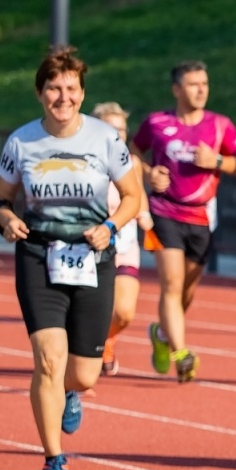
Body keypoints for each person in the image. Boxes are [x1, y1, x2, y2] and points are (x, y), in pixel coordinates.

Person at [0, 47, 143, 470]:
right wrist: (7, 219)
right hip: (39, 256)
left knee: (84, 373)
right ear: (39, 93)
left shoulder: (105, 140)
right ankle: (54, 457)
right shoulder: (22, 142)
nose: (63, 96)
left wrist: (110, 227)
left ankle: (72, 392)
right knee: (48, 360)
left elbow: (133, 197)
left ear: (82, 93)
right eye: (54, 87)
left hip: (93, 259)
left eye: (71, 88)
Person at [132, 61, 236, 383]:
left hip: (202, 216)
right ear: (177, 89)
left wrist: (218, 161)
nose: (200, 90)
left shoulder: (220, 125)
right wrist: (149, 173)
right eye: (193, 84)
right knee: (171, 284)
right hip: (165, 211)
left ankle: (162, 334)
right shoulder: (156, 122)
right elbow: (133, 151)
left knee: (186, 290)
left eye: (205, 84)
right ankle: (181, 354)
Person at [91, 102, 152, 377]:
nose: (118, 134)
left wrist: (145, 214)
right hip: (90, 249)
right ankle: (85, 349)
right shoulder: (84, 161)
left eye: (122, 129)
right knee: (93, 310)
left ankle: (105, 340)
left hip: (125, 245)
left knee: (124, 312)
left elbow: (138, 194)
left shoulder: (132, 162)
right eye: (111, 128)